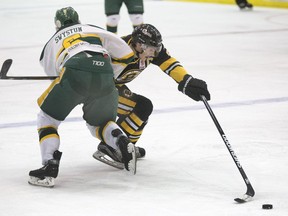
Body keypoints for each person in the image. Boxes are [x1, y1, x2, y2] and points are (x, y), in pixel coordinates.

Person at [28, 7, 138, 188]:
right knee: (99, 124)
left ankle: (49, 166)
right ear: (78, 20)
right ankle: (121, 141)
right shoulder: (92, 28)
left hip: (74, 71)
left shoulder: (51, 42)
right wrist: (108, 71)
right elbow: (127, 54)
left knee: (46, 119)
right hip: (104, 72)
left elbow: (53, 73)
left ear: (57, 25)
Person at [93, 24, 211, 169]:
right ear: (138, 45)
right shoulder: (119, 50)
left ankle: (127, 147)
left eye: (156, 48)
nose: (154, 53)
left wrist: (186, 80)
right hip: (100, 89)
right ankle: (111, 146)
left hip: (114, 86)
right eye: (151, 49)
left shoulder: (150, 50)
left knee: (142, 112)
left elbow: (168, 61)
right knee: (142, 106)